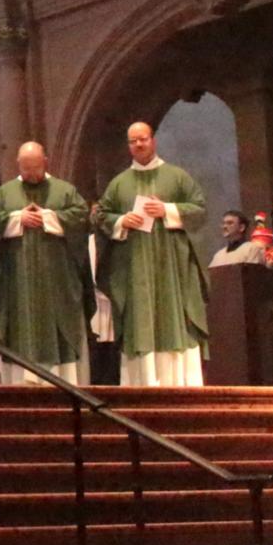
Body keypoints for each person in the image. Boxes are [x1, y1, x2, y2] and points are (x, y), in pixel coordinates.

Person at [96, 121, 209, 387]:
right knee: (139, 317)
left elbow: (200, 209)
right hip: (135, 267)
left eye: (143, 139)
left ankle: (182, 383)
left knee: (175, 315)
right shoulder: (118, 184)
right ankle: (143, 382)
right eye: (133, 141)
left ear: (153, 141)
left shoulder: (177, 176)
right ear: (129, 146)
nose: (138, 144)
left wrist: (168, 210)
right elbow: (101, 215)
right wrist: (122, 221)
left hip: (171, 265)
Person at [0, 141, 92, 385]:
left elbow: (81, 218)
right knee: (19, 330)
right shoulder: (3, 194)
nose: (31, 174)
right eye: (26, 168)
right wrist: (17, 218)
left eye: (36, 168)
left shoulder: (65, 192)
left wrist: (47, 217)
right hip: (16, 283)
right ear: (18, 164)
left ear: (46, 162)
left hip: (57, 282)